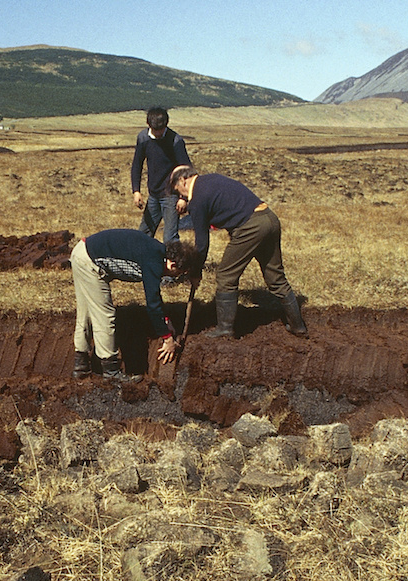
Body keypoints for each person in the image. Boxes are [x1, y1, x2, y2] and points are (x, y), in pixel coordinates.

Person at [169, 164, 307, 338]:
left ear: (183, 180)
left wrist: (195, 272)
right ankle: (298, 326)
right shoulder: (213, 178)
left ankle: (225, 328)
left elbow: (202, 243)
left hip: (250, 227)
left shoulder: (197, 199)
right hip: (270, 219)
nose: (180, 196)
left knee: (226, 275)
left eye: (178, 191)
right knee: (275, 277)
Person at [71, 229, 206, 382]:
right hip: (89, 261)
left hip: (82, 252)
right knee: (105, 316)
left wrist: (165, 320)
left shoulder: (158, 253)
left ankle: (80, 366)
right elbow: (152, 304)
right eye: (179, 274)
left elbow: (155, 296)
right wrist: (167, 339)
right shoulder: (153, 261)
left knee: (86, 313)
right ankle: (111, 372)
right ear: (173, 265)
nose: (175, 277)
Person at [130, 106, 191, 243]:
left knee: (170, 238)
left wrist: (183, 197)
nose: (157, 134)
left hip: (171, 195)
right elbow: (136, 165)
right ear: (148, 125)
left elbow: (186, 170)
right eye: (154, 130)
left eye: (160, 130)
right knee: (143, 234)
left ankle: (174, 263)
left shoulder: (175, 141)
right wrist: (136, 191)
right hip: (154, 194)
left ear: (166, 125)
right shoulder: (143, 138)